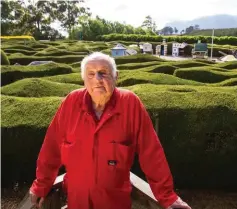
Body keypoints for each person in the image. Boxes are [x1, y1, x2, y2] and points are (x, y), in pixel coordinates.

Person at [29, 52, 191, 209]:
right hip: (77, 202)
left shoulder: (130, 104)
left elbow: (151, 153)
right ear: (83, 79)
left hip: (115, 203)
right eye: (90, 74)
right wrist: (41, 185)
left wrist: (167, 196)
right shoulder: (71, 102)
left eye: (103, 73)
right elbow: (51, 148)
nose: (97, 80)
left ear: (116, 76)